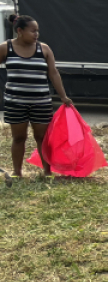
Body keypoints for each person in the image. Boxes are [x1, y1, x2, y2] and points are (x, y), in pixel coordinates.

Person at [2, 14, 74, 178]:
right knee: (19, 137)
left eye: (37, 31)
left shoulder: (44, 49)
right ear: (19, 31)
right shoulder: (6, 48)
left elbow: (54, 74)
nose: (36, 34)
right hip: (15, 103)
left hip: (41, 102)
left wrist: (63, 96)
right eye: (33, 31)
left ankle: (47, 172)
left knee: (42, 137)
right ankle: (17, 172)